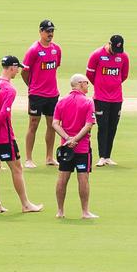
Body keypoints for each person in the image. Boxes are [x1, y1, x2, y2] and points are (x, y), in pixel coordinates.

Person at [0, 56, 43, 214]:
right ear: (12, 68)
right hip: (4, 137)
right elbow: (4, 114)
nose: (18, 71)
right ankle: (25, 204)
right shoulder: (9, 89)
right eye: (17, 68)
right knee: (17, 169)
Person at [52, 74, 97, 219]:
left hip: (66, 148)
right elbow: (88, 125)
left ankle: (60, 211)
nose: (88, 86)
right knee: (83, 178)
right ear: (80, 83)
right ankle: (85, 211)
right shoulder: (88, 102)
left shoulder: (62, 101)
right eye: (86, 83)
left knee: (62, 178)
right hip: (82, 147)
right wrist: (76, 139)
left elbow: (54, 123)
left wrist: (67, 138)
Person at [22, 19, 62, 168]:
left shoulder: (56, 49)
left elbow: (55, 66)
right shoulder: (33, 50)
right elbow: (25, 72)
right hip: (37, 94)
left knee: (52, 125)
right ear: (41, 32)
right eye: (47, 31)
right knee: (33, 124)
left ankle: (49, 157)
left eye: (52, 31)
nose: (50, 34)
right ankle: (28, 158)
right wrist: (32, 86)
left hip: (52, 93)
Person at [86, 35, 129, 167]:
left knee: (112, 127)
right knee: (102, 127)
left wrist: (113, 84)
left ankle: (108, 156)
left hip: (116, 98)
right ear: (109, 44)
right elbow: (90, 74)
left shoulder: (123, 57)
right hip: (101, 98)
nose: (116, 52)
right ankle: (101, 156)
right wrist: (100, 85)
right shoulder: (97, 55)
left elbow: (124, 75)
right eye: (114, 49)